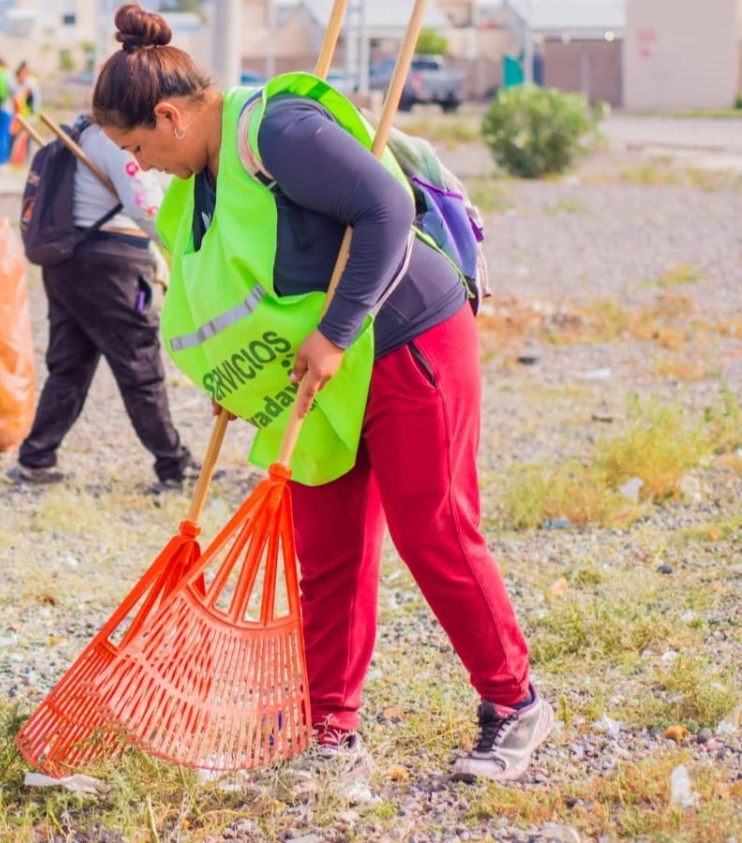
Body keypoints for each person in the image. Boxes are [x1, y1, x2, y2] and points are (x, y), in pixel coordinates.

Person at [89, 4, 553, 783]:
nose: (143, 166)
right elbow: (252, 286)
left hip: (407, 335)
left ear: (169, 116)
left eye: (138, 148)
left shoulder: (275, 129)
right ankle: (330, 734)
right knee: (328, 552)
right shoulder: (194, 185)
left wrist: (336, 332)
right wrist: (240, 377)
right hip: (328, 368)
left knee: (431, 528)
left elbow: (387, 210)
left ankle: (514, 703)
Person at [8, 114, 199, 493]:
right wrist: (190, 249)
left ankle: (37, 457)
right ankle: (174, 465)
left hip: (66, 261)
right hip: (112, 268)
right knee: (139, 366)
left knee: (69, 366)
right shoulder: (117, 139)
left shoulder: (76, 131)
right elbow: (147, 208)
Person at [10, 60, 41, 166]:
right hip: (18, 116)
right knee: (13, 137)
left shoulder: (31, 84)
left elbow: (35, 101)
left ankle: (27, 160)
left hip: (29, 116)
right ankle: (10, 159)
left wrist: (34, 114)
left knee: (28, 139)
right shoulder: (15, 84)